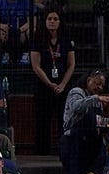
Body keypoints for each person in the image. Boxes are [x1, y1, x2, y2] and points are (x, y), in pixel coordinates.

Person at [30, 8, 75, 155]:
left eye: (55, 19)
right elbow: (36, 66)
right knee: (43, 121)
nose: (52, 22)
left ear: (60, 22)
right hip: (43, 86)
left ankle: (64, 151)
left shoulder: (66, 39)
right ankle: (42, 153)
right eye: (49, 19)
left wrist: (62, 84)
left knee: (63, 120)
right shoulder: (38, 39)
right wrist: (50, 84)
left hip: (62, 86)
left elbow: (71, 64)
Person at [59, 69, 109, 174]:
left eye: (102, 85)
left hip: (92, 146)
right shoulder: (77, 92)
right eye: (97, 83)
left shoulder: (97, 100)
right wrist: (96, 98)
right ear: (88, 80)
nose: (100, 87)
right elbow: (76, 107)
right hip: (73, 144)